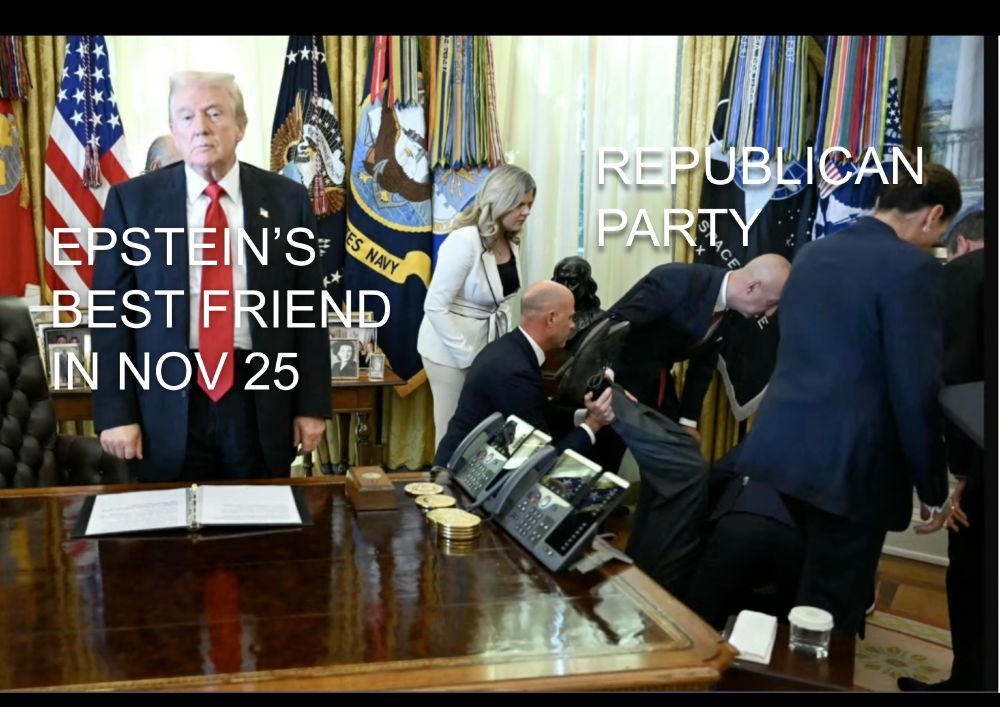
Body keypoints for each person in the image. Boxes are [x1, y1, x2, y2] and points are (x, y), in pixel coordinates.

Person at [735, 164, 962, 637]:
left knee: (801, 588)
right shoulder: (914, 269)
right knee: (833, 608)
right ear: (933, 214)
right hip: (851, 465)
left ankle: (783, 667)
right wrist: (933, 486)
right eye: (941, 230)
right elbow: (915, 386)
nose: (935, 240)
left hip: (782, 450)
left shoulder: (813, 252)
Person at [93, 71, 331, 482]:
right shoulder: (131, 203)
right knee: (169, 521)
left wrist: (311, 405)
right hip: (164, 401)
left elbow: (307, 310)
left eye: (214, 113)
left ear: (241, 126)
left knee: (257, 519)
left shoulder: (288, 200)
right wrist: (115, 413)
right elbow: (111, 315)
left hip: (259, 397)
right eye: (186, 117)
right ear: (173, 129)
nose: (200, 127)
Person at [899, 208, 986, 691]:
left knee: (974, 573)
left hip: (986, 452)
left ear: (963, 245)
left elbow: (956, 377)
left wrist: (960, 474)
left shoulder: (966, 274)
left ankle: (968, 683)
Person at [604, 255, 791, 440]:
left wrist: (688, 422)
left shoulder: (733, 311)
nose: (771, 313)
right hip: (611, 379)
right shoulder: (677, 280)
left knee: (679, 450)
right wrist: (606, 384)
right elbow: (615, 327)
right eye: (772, 303)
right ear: (752, 287)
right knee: (603, 452)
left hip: (653, 384)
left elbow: (703, 366)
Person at [433, 280, 614, 468]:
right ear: (551, 319)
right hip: (459, 476)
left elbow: (537, 408)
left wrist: (585, 415)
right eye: (570, 318)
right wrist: (594, 423)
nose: (572, 325)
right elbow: (544, 463)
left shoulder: (512, 348)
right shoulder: (515, 372)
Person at [417, 164, 536, 449]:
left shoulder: (512, 240)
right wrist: (468, 358)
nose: (526, 212)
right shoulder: (464, 240)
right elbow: (434, 305)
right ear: (500, 200)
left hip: (487, 348)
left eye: (530, 204)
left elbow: (501, 303)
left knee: (482, 432)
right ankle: (442, 479)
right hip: (449, 352)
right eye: (520, 204)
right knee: (452, 434)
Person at [552, 256, 604, 353]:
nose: (565, 287)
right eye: (560, 281)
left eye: (573, 282)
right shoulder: (546, 317)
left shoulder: (600, 319)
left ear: (587, 285)